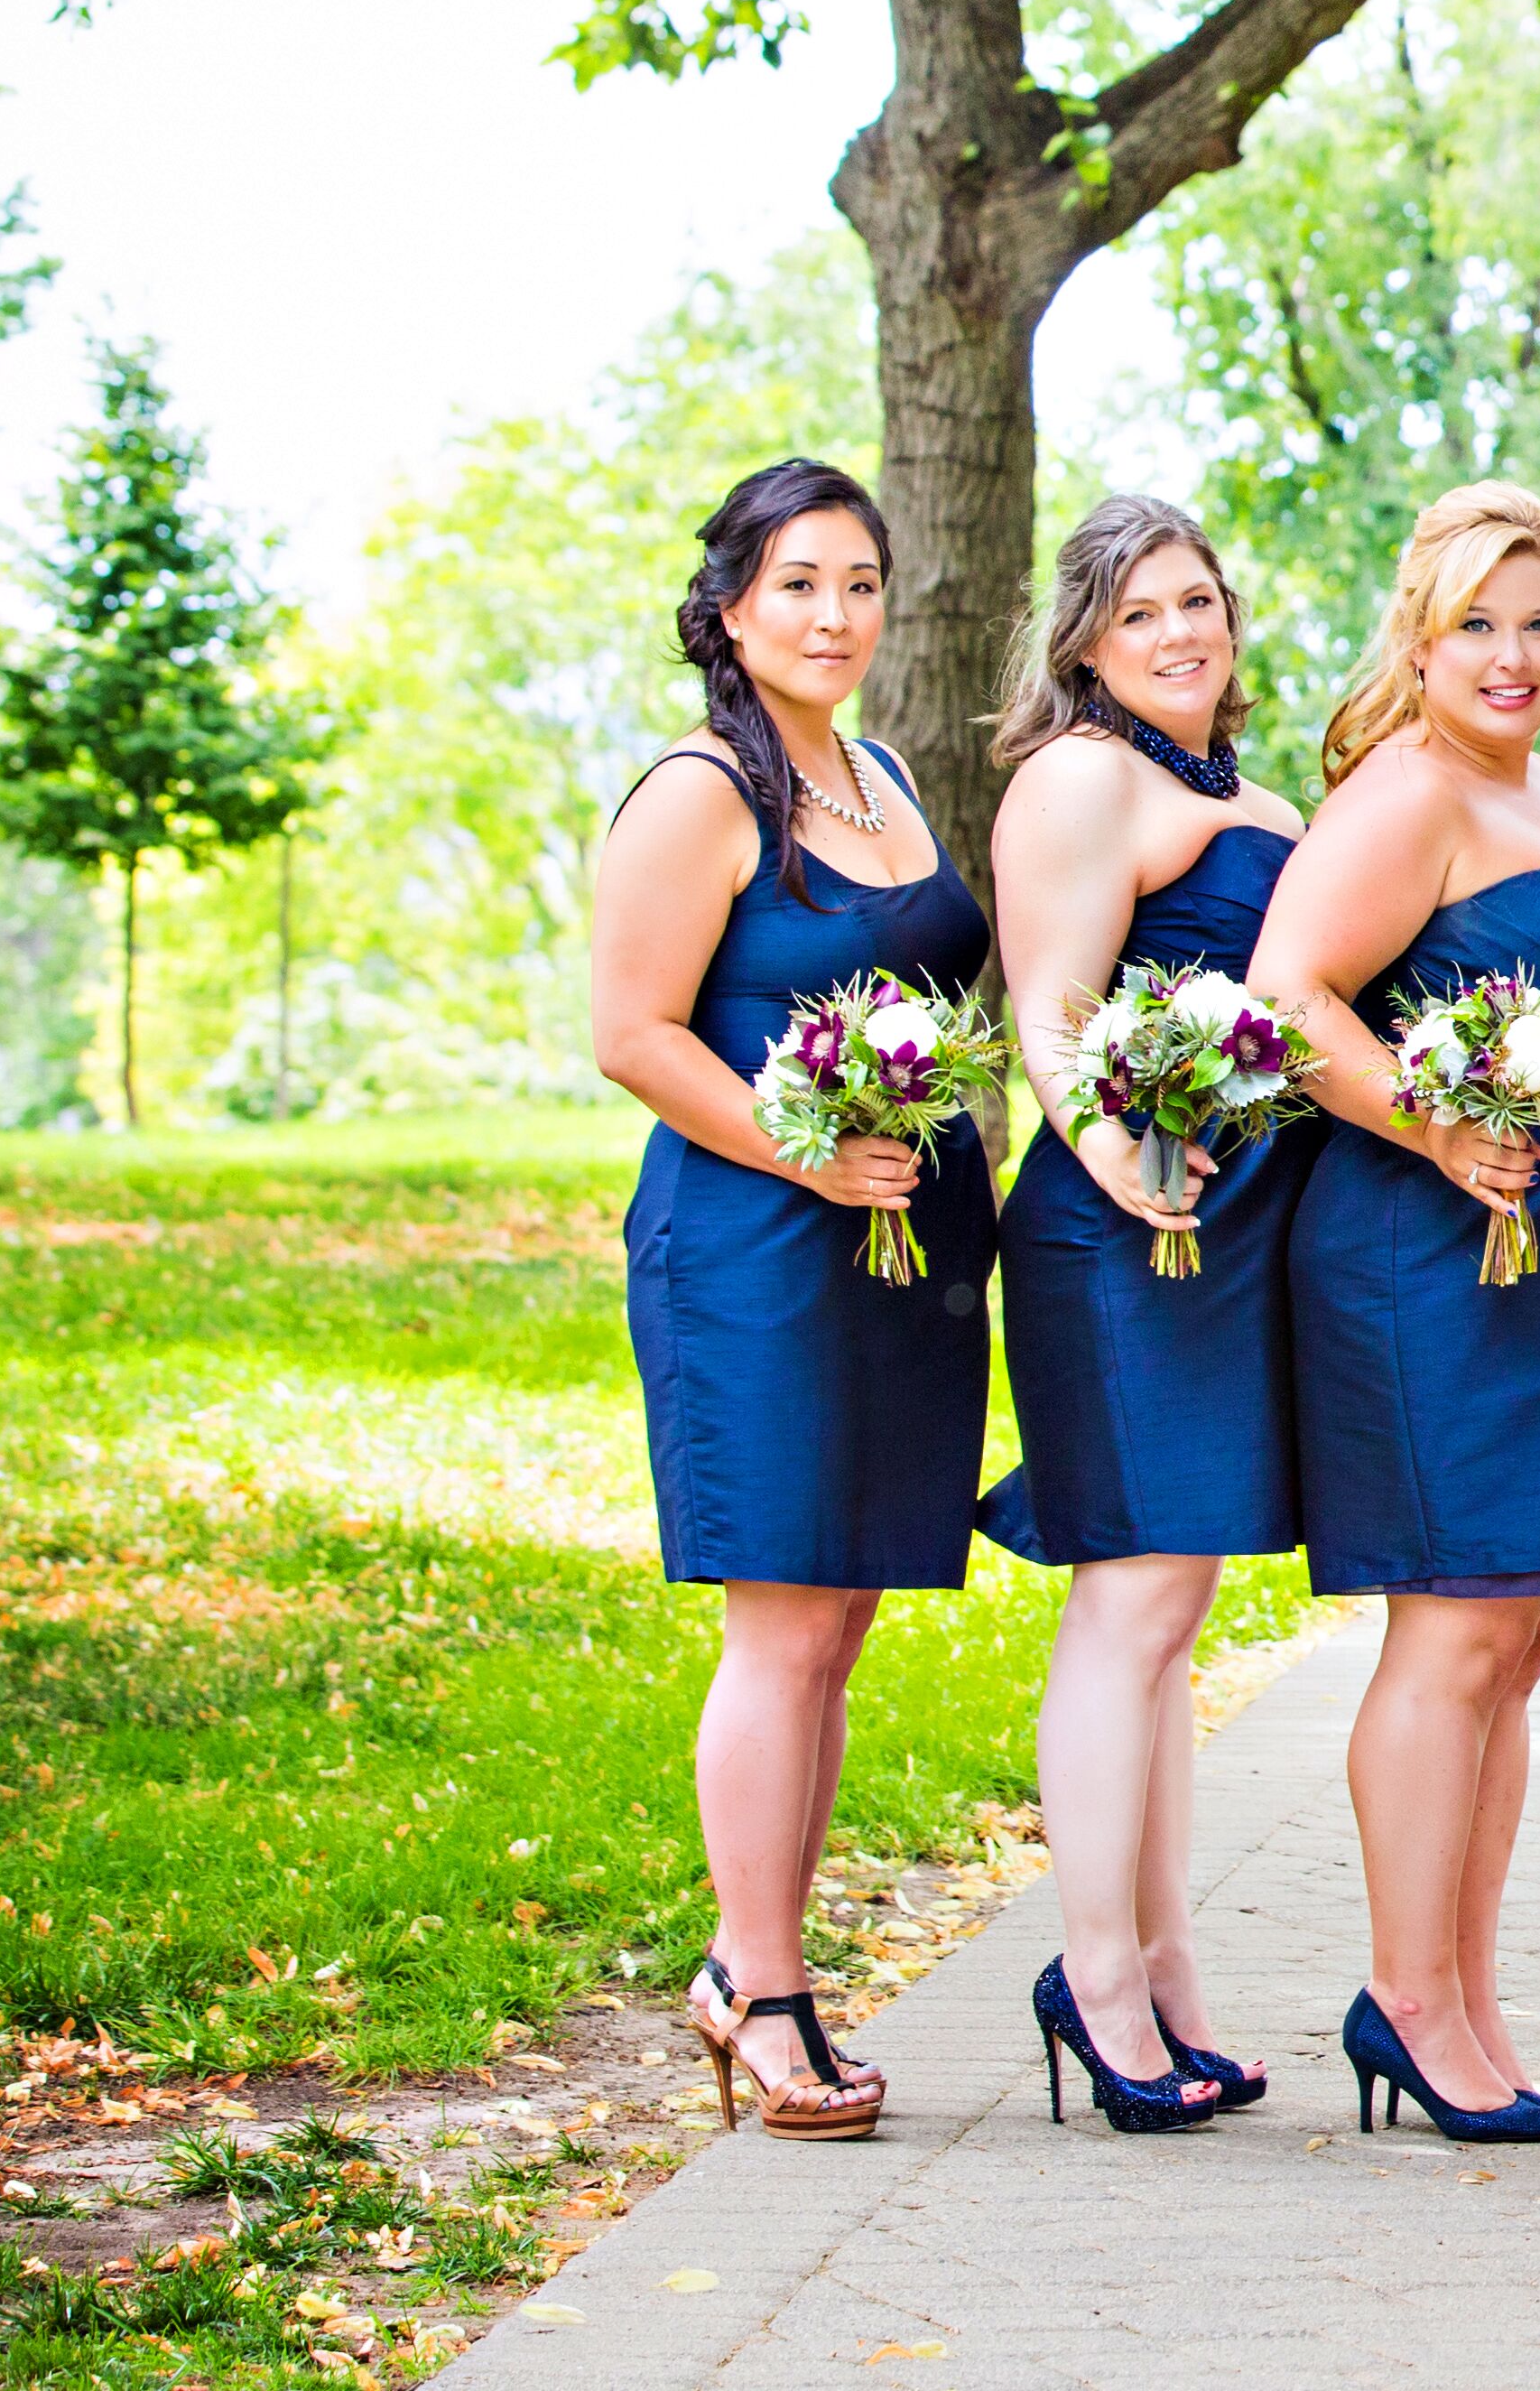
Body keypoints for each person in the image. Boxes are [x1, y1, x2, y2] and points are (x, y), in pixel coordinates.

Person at [1249, 482, 1540, 2149]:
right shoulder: (1406, 793)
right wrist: (1431, 1123)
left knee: (1522, 1628)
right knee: (1450, 1632)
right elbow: (1287, 997)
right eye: (1478, 626)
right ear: (1420, 641)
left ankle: (1467, 1995)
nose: (1512, 657)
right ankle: (1406, 1999)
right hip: (1430, 1256)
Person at [588, 458, 998, 2144]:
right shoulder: (700, 790)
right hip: (757, 1249)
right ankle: (758, 1988)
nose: (835, 616)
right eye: (799, 584)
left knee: (842, 1618)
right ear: (734, 605)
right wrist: (808, 1158)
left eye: (860, 584)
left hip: (898, 1247)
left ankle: (761, 1958)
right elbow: (632, 1032)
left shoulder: (878, 771)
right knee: (780, 1616)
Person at [979, 494, 1312, 2133]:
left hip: (1224, 1233)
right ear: (1089, 647)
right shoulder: (1081, 776)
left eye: (1198, 601)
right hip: (1119, 1229)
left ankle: (1166, 1972)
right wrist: (1119, 1158)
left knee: (1175, 1615)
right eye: (1140, 615)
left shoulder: (1249, 793)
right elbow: (1051, 1005)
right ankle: (1095, 1983)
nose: (1180, 633)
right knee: (1126, 1605)